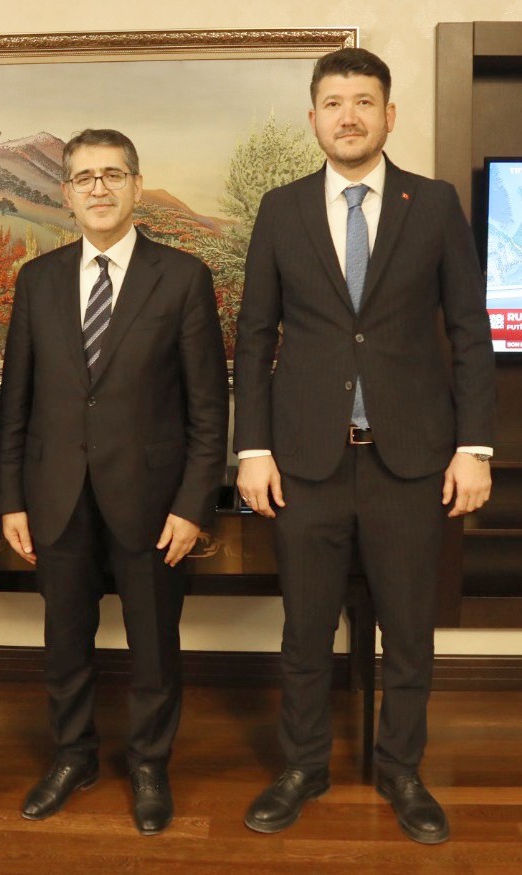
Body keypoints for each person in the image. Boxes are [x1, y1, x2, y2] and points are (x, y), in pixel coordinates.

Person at [233, 48, 494, 845]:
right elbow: (254, 335)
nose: (348, 115)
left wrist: (474, 445)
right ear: (312, 117)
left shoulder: (433, 203)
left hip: (410, 460)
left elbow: (469, 331)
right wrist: (252, 449)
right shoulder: (281, 209)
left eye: (363, 101)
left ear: (388, 115)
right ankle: (303, 766)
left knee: (408, 630)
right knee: (304, 629)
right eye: (333, 102)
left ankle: (401, 770)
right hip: (304, 460)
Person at [0, 129, 228, 835]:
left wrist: (193, 505)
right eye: (84, 177)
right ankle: (74, 757)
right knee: (64, 641)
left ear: (135, 186)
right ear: (66, 193)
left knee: (154, 643)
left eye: (112, 174)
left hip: (153, 500)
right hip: (55, 494)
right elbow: (15, 401)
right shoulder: (37, 280)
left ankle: (150, 764)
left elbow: (207, 408)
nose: (98, 188)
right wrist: (11, 498)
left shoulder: (182, 277)